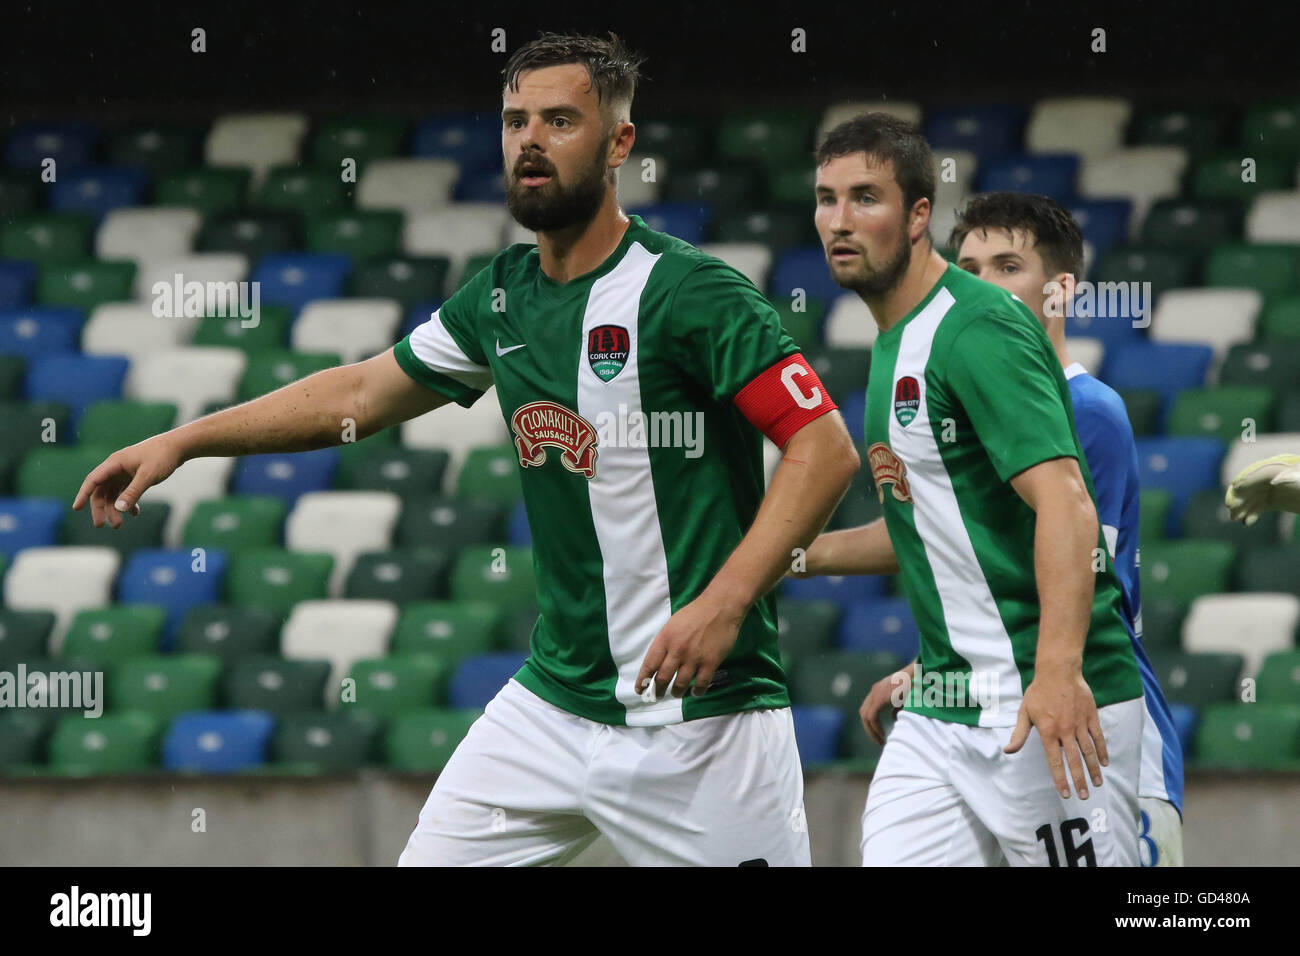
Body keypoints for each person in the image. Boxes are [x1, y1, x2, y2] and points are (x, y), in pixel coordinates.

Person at [72, 32, 859, 866]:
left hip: (706, 722)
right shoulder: (500, 295)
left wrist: (727, 599)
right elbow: (360, 395)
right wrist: (184, 440)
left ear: (620, 142)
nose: (530, 141)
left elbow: (826, 448)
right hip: (553, 711)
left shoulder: (692, 292)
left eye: (560, 120)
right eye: (516, 121)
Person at [799, 113, 1144, 866]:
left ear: (919, 214)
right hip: (943, 708)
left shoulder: (977, 327)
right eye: (827, 199)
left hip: (1039, 704)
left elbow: (1065, 503)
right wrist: (791, 556)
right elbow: (938, 524)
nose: (840, 220)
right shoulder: (894, 342)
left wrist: (1055, 673)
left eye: (865, 197)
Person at [945, 191, 1183, 866]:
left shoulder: (1090, 411)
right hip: (1017, 721)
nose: (982, 286)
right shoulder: (968, 414)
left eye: (1007, 265)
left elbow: (1079, 575)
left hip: (1105, 731)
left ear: (1060, 291)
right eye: (967, 267)